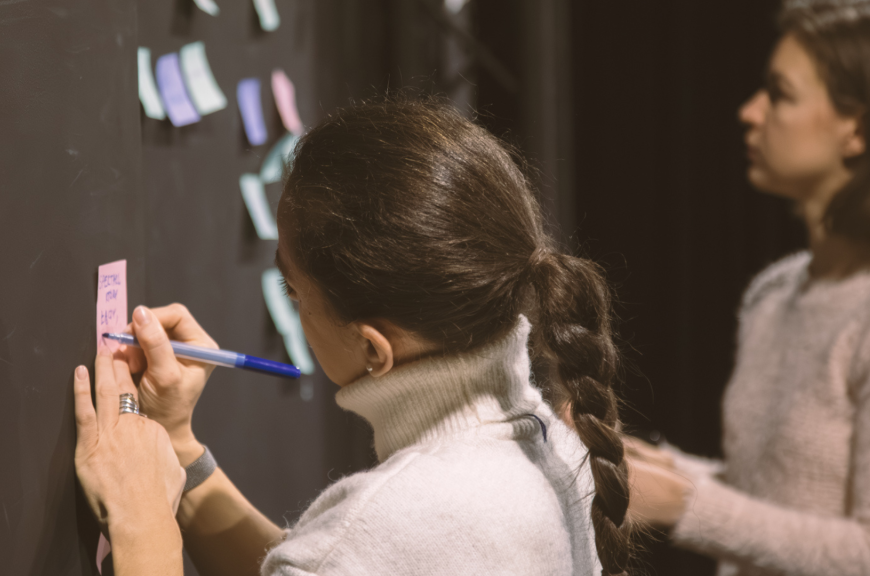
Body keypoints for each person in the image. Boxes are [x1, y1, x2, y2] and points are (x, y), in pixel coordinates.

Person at [73, 97, 636, 575]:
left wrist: (142, 523)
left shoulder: (391, 522)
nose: (293, 305)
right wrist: (178, 446)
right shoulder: (556, 454)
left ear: (372, 348)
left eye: (294, 291)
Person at [625, 1, 870, 575]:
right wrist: (655, 469)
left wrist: (684, 506)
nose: (750, 112)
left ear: (857, 129)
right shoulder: (774, 291)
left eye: (779, 95)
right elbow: (771, 500)